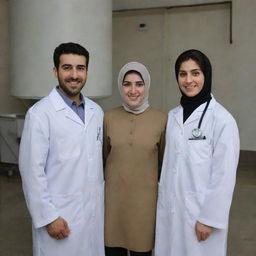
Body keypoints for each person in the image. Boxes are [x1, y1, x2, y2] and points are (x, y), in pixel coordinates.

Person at [19, 42, 105, 256]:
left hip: (92, 217)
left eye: (80, 68)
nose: (74, 75)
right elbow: (31, 173)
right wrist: (48, 217)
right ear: (55, 71)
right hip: (60, 218)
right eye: (67, 68)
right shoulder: (40, 114)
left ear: (87, 71)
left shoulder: (97, 112)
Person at [155, 49, 240, 256]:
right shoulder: (173, 116)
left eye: (195, 73)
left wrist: (209, 219)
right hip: (171, 212)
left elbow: (224, 176)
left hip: (201, 217)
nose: (189, 80)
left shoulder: (222, 120)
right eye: (182, 74)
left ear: (206, 75)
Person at [103, 62, 167, 256]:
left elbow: (164, 164)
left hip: (145, 207)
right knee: (113, 250)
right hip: (113, 206)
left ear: (146, 86)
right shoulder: (108, 118)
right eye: (127, 84)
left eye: (139, 84)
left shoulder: (162, 120)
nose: (133, 90)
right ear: (120, 87)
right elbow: (102, 159)